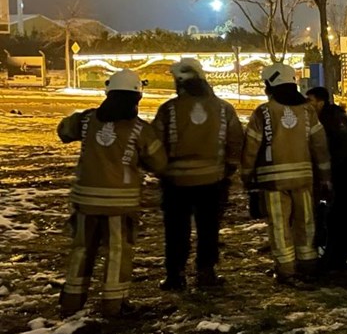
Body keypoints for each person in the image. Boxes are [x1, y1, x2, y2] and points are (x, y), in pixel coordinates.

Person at [57, 69, 167, 318]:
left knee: (82, 248)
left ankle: (71, 300)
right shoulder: (141, 129)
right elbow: (159, 163)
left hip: (85, 201)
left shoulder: (86, 120)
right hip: (120, 204)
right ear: (137, 97)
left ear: (108, 92)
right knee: (118, 252)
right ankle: (114, 304)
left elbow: (63, 130)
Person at [152, 58, 244, 290]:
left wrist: (161, 170)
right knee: (208, 229)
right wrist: (229, 167)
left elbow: (155, 144)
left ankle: (175, 275)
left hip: (176, 183)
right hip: (213, 180)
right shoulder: (223, 108)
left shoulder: (168, 110)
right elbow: (235, 140)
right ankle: (206, 272)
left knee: (176, 230)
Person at [242, 64, 331, 284]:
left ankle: (286, 269)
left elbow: (251, 146)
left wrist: (247, 176)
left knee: (279, 226)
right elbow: (320, 146)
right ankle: (308, 265)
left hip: (272, 181)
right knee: (306, 222)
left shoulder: (263, 112)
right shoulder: (308, 111)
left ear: (270, 85)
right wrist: (325, 177)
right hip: (304, 179)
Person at [304, 86, 347, 266]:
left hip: (335, 174)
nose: (307, 104)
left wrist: (328, 174)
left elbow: (335, 148)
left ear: (320, 102)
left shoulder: (328, 120)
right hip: (330, 174)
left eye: (310, 100)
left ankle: (330, 256)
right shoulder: (327, 117)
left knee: (330, 216)